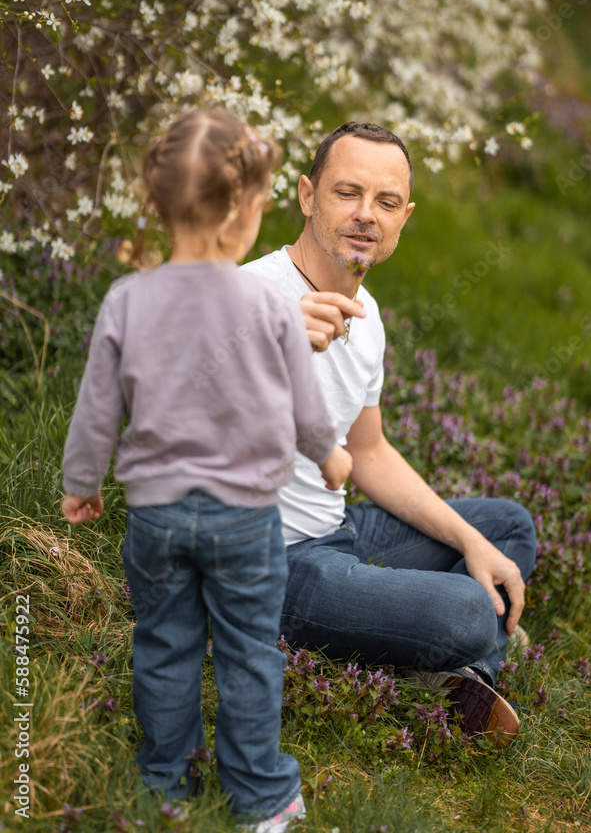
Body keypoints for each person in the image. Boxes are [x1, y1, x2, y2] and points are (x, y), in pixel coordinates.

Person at [61, 109, 352, 832]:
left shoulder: (127, 300)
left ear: (157, 204)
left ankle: (164, 780)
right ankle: (259, 797)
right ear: (242, 213)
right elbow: (304, 403)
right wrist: (330, 454)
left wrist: (81, 483)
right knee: (249, 653)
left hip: (157, 515)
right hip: (245, 518)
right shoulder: (267, 302)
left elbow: (98, 408)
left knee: (165, 642)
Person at [243, 121, 537, 743]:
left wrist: (469, 542)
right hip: (268, 563)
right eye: (347, 193)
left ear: (405, 216)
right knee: (468, 610)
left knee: (504, 530)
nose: (364, 216)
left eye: (384, 202)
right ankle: (465, 661)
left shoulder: (367, 316)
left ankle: (459, 675)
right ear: (306, 194)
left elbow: (368, 452)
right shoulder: (250, 296)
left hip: (336, 532)